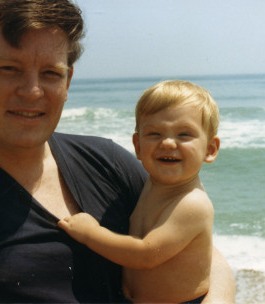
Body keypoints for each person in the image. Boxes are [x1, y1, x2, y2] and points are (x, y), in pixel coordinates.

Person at [0, 0, 234, 303]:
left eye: (50, 73)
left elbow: (200, 254)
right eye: (9, 69)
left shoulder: (107, 161)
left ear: (68, 81)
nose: (32, 91)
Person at [59, 80, 220, 303]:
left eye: (184, 135)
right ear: (137, 146)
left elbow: (146, 254)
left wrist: (91, 234)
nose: (168, 143)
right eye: (154, 134)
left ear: (210, 150)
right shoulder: (151, 185)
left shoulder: (193, 204)